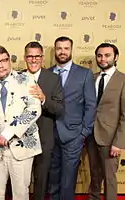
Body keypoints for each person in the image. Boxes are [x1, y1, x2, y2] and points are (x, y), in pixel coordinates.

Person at [0, 45, 42, 200]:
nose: (0, 65)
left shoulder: (27, 79)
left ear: (9, 60)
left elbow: (34, 109)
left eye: (4, 60)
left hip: (21, 146)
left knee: (20, 193)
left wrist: (8, 132)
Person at [48, 36, 97, 200]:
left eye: (66, 48)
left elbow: (91, 105)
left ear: (71, 50)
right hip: (50, 134)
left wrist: (84, 132)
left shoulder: (84, 74)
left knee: (68, 179)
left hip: (73, 134)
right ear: (55, 50)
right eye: (59, 48)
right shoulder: (47, 73)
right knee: (52, 176)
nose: (62, 52)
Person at [23, 42, 64, 200]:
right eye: (30, 56)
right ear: (25, 57)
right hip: (21, 139)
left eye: (37, 56)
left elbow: (59, 109)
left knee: (41, 182)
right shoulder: (17, 77)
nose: (34, 60)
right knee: (21, 182)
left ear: (42, 58)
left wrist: (43, 99)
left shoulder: (53, 79)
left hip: (44, 140)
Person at [86, 43, 125, 200]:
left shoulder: (122, 80)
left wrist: (119, 142)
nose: (103, 59)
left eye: (107, 55)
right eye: (100, 55)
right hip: (90, 136)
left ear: (115, 57)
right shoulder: (92, 78)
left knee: (109, 179)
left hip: (110, 139)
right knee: (94, 176)